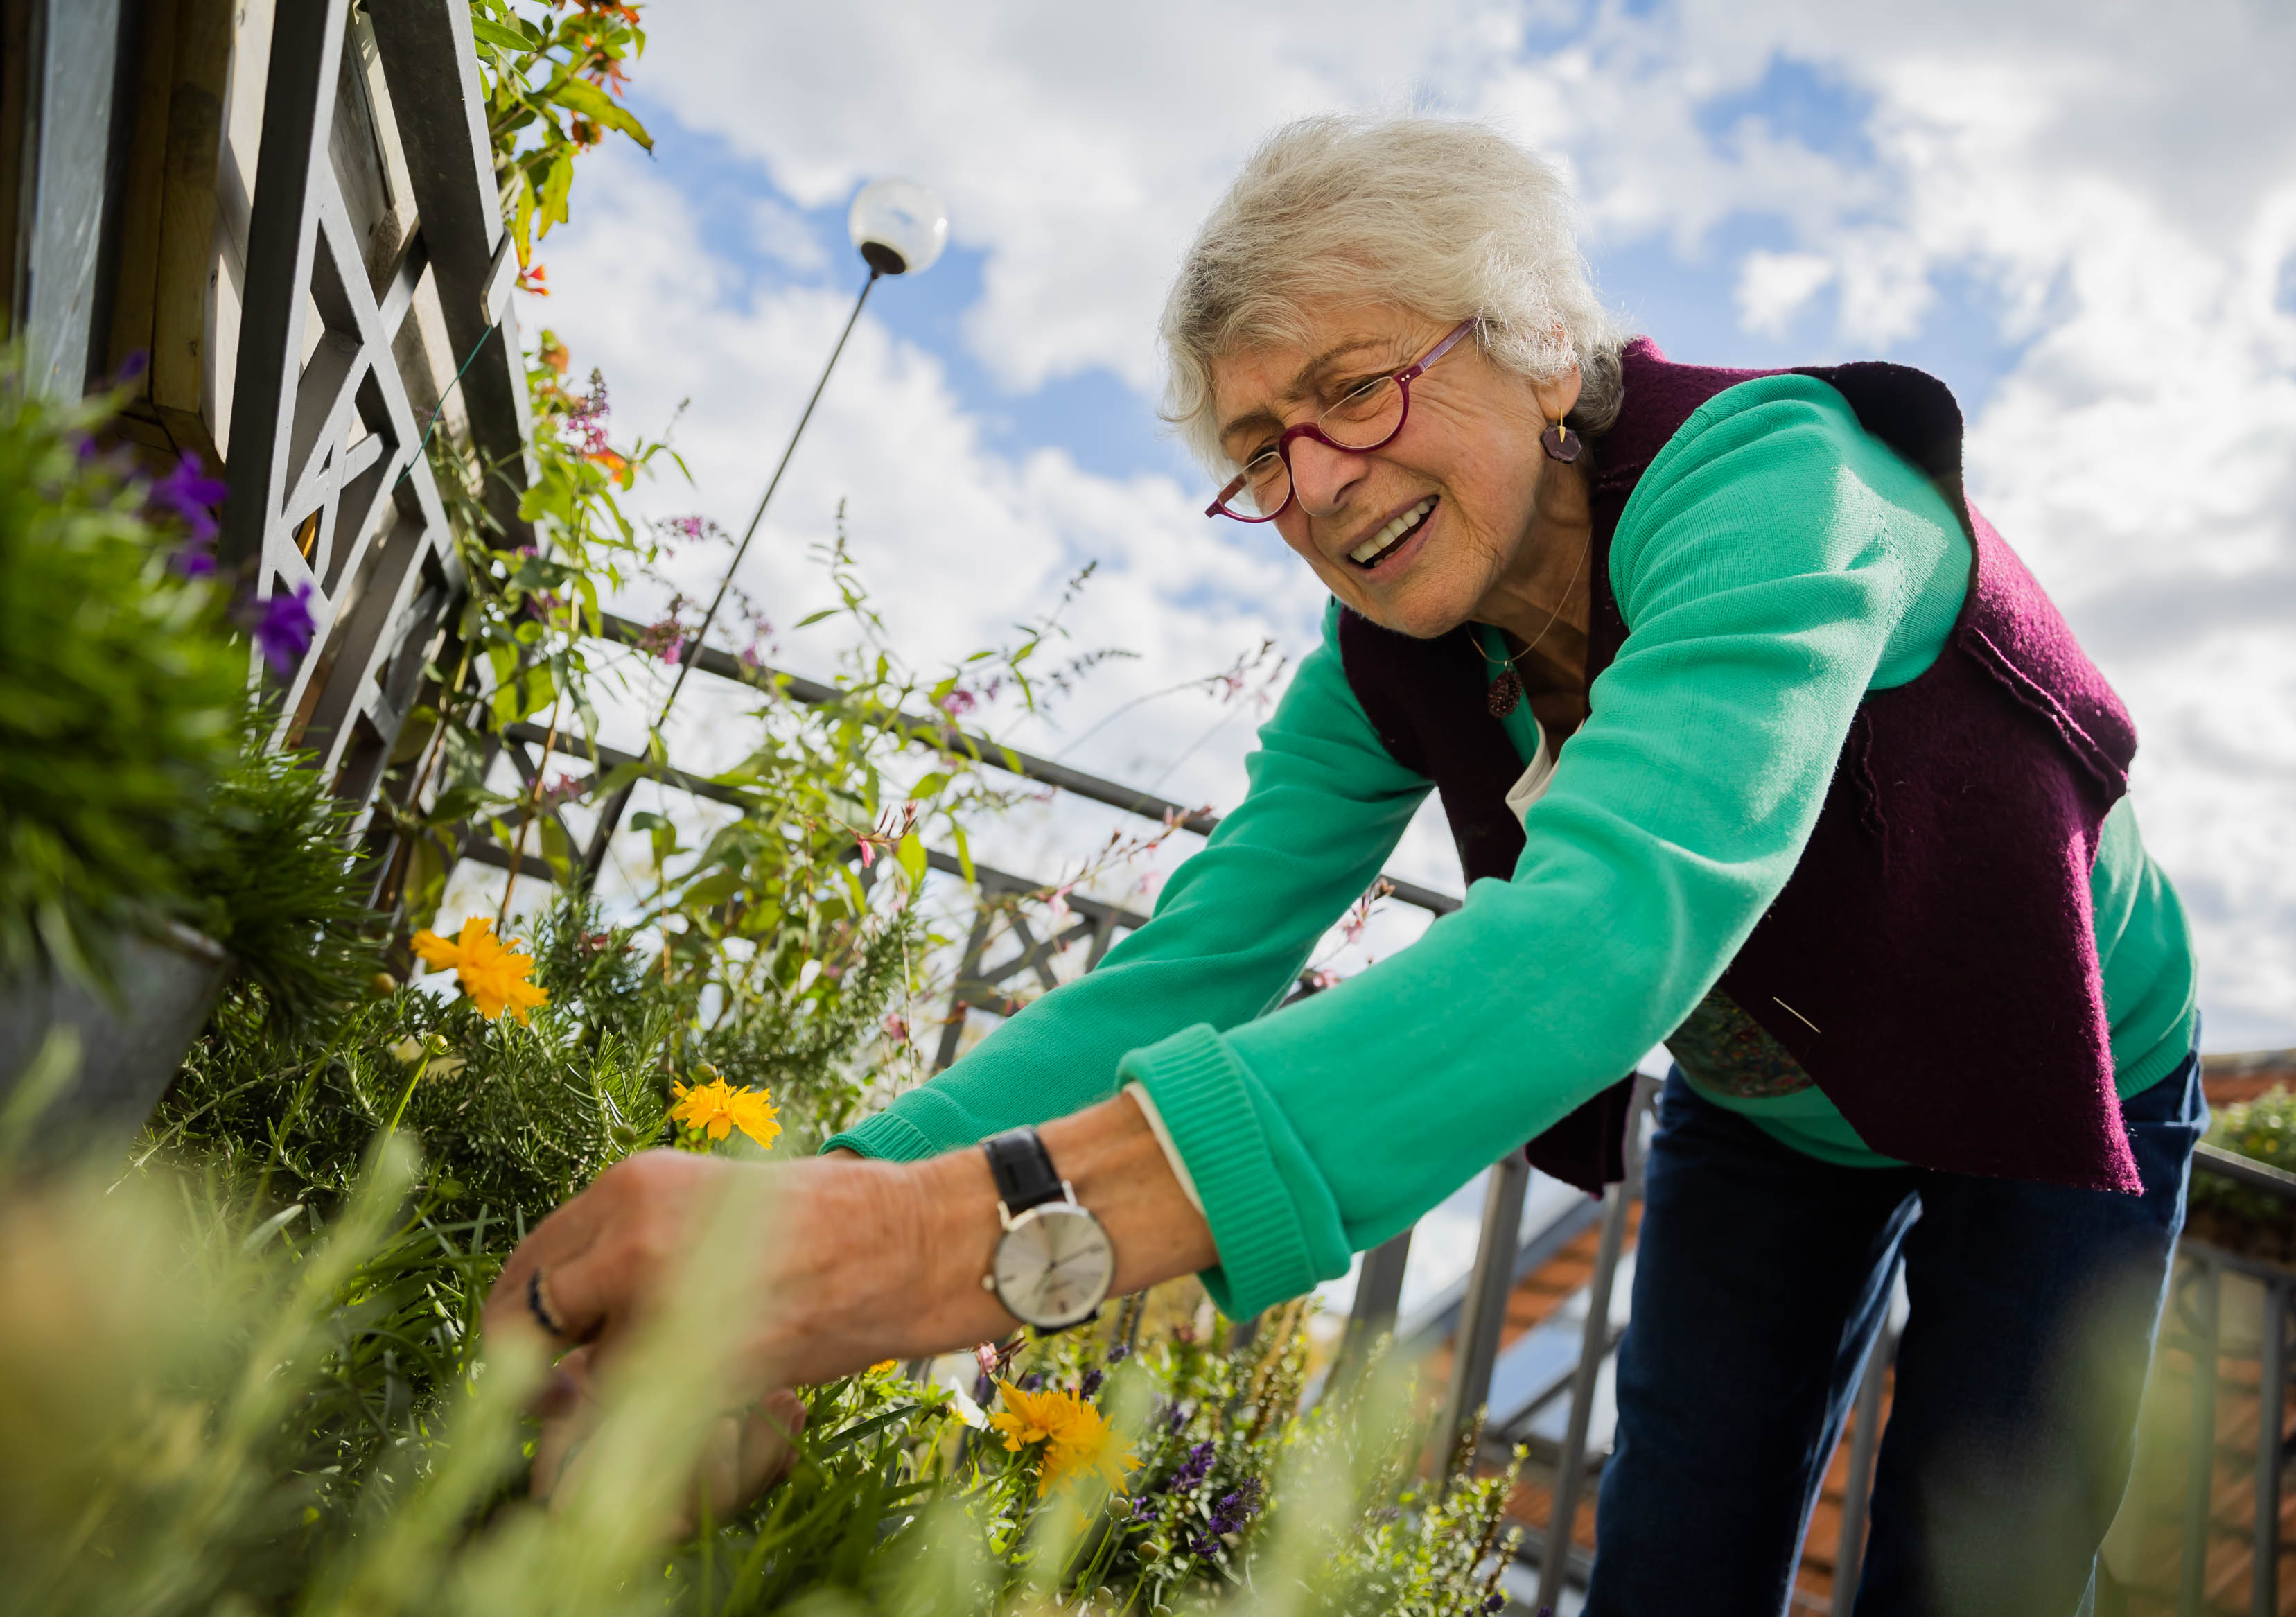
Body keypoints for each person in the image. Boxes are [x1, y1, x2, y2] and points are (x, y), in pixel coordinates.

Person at [489, 113, 2200, 1616]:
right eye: (1258, 451)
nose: (1312, 483)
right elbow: (1190, 964)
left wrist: (938, 1245)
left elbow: (1614, 920)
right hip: (1767, 1109)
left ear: (1538, 345)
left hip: (2060, 1076)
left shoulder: (1776, 484)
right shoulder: (1381, 657)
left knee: (1975, 1569)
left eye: (1353, 391)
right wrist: (802, 1223)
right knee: (1674, 1548)